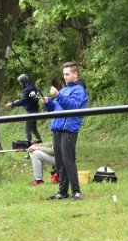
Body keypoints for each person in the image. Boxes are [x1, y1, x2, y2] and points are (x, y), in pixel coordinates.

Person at [44, 62, 88, 201]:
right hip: (57, 129)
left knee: (69, 161)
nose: (64, 77)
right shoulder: (64, 90)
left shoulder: (79, 90)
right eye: (63, 74)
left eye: (67, 74)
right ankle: (62, 191)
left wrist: (57, 95)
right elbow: (56, 109)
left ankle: (77, 191)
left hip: (68, 129)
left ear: (75, 74)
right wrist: (47, 102)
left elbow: (73, 106)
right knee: (60, 162)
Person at [5, 73, 43, 144]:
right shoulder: (32, 86)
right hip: (35, 111)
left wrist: (12, 104)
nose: (20, 83)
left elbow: (23, 101)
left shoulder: (27, 90)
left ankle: (29, 146)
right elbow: (27, 100)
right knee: (33, 129)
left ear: (23, 81)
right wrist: (16, 102)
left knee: (27, 130)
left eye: (20, 82)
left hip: (31, 113)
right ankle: (40, 143)